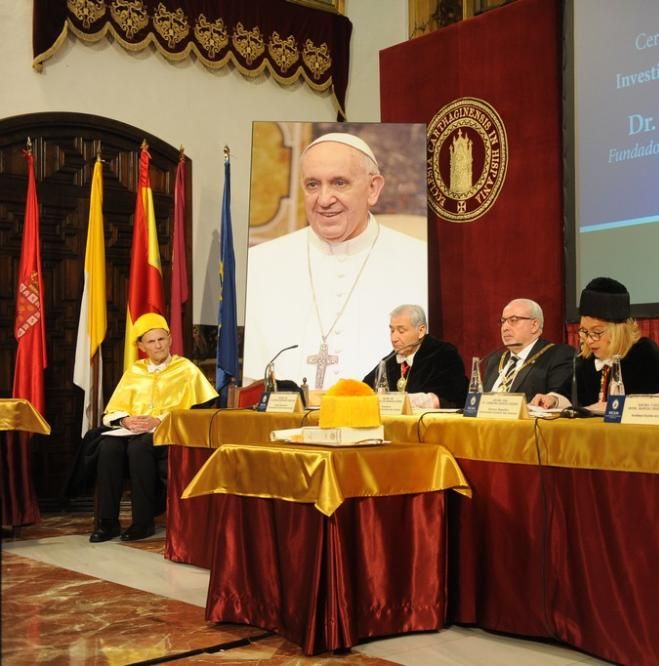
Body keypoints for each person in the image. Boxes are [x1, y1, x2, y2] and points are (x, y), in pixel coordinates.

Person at [243, 132, 427, 391]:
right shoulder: (260, 263)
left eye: (339, 183)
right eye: (312, 185)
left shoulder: (417, 260)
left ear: (373, 188)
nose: (324, 199)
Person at [78, 314, 217, 542]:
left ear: (170, 339)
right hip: (132, 432)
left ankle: (143, 522)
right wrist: (125, 421)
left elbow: (200, 410)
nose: (158, 345)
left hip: (168, 436)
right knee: (107, 447)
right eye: (151, 342)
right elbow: (113, 411)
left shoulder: (186, 369)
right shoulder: (134, 372)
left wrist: (160, 420)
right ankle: (108, 523)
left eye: (161, 339)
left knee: (139, 448)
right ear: (141, 346)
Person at [532, 277, 659, 411]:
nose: (589, 340)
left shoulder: (643, 351)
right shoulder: (587, 358)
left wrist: (619, 405)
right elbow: (568, 394)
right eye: (584, 331)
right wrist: (553, 400)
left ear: (618, 330)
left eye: (597, 332)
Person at [362, 304, 468, 409]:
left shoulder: (444, 355)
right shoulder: (388, 361)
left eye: (401, 331)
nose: (394, 338)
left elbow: (454, 399)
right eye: (392, 330)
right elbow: (365, 389)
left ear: (421, 331)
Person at [481, 299, 574, 402]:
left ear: (534, 325)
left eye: (513, 320)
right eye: (503, 321)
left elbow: (558, 400)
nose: (505, 327)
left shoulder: (558, 355)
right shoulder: (495, 360)